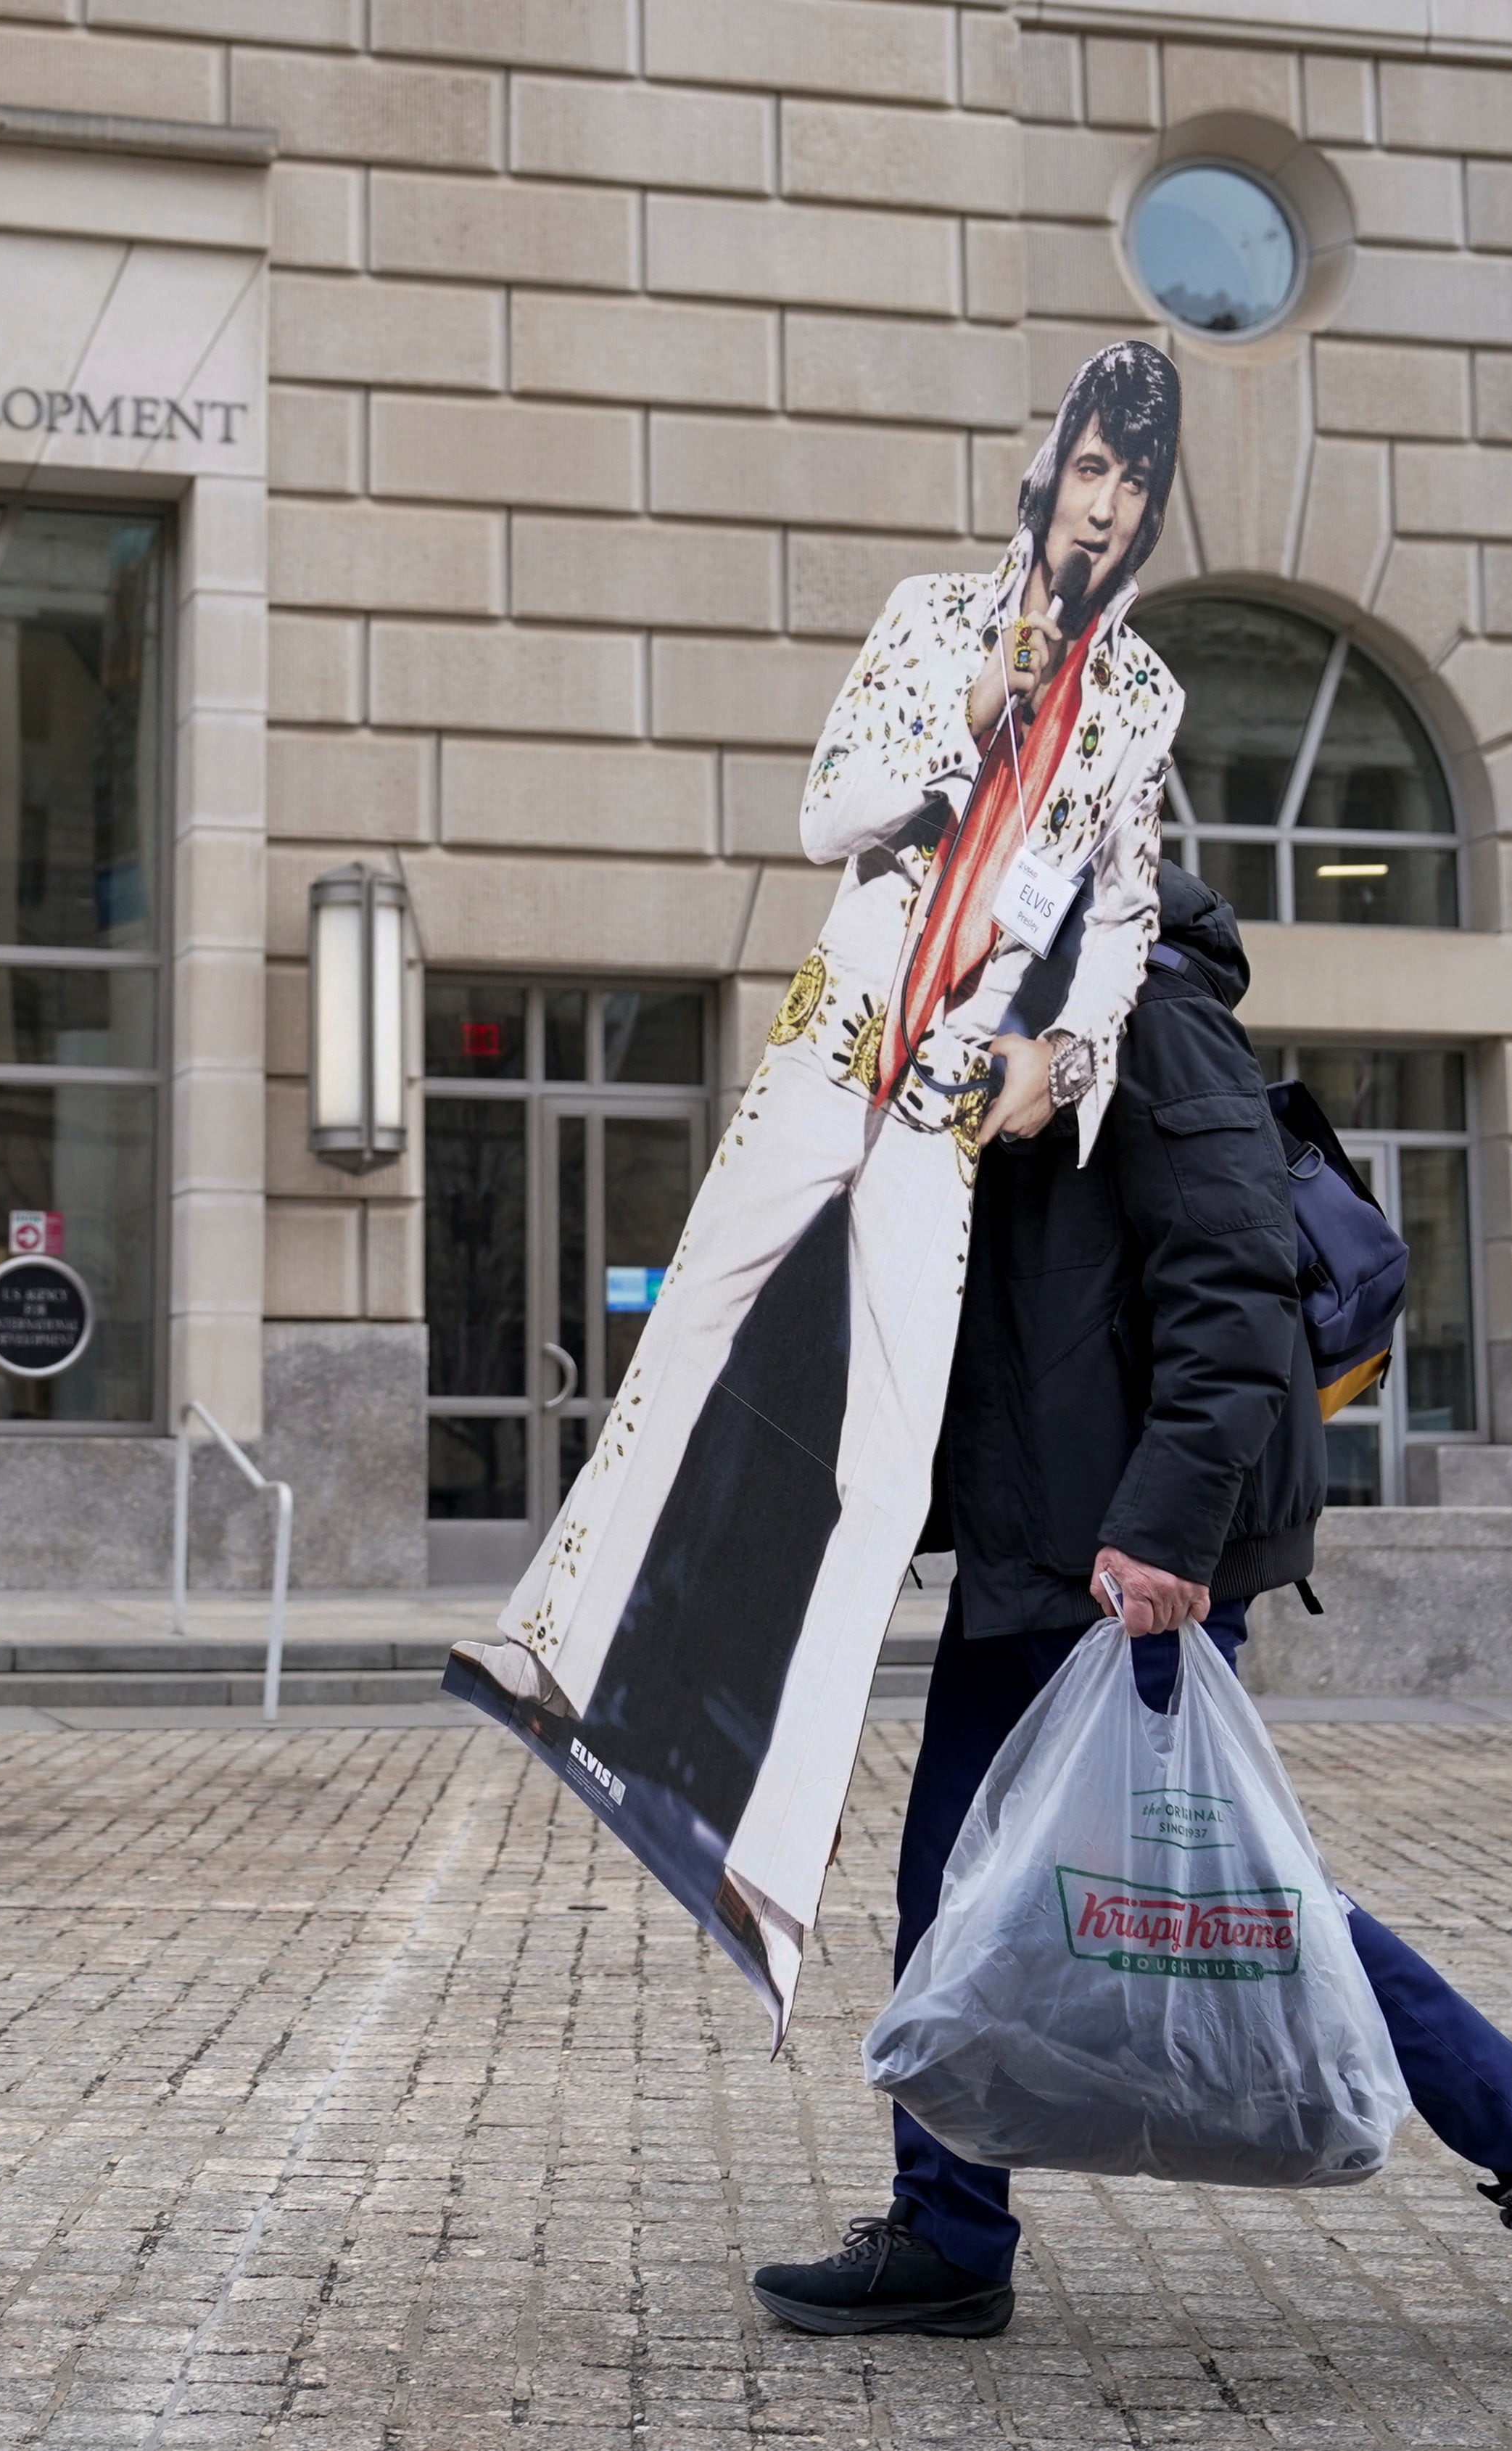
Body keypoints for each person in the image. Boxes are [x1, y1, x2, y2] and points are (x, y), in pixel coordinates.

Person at [748, 865, 1512, 2370]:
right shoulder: (1010, 1038)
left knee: (1238, 1906)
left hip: (1130, 1562)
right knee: (948, 1899)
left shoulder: (1151, 1017)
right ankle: (949, 2238)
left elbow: (1230, 1292)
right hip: (1029, 1558)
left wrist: (1164, 1533)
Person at [452, 342, 1190, 2019]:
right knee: (697, 1325)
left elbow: (1129, 914)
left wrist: (1060, 1064)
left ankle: (773, 1847)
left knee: (885, 1471)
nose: (1105, 502)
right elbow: (818, 812)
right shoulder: (931, 618)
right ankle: (550, 1641)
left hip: (949, 1086)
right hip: (839, 1015)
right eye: (1092, 466)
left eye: (1135, 484)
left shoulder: (1143, 704)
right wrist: (965, 730)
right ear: (1052, 465)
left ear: (1151, 508)